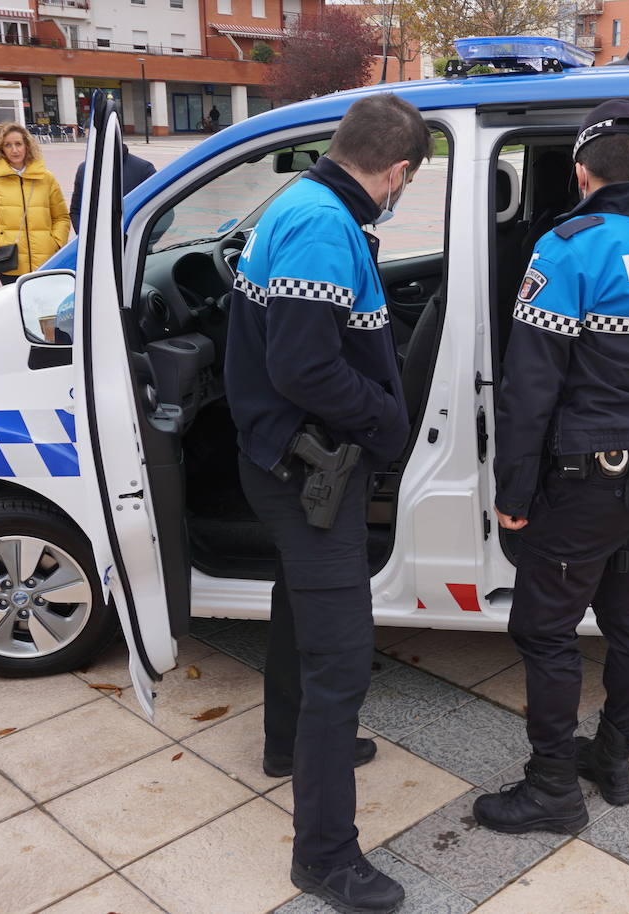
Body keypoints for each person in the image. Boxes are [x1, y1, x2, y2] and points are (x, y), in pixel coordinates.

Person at [474, 100, 629, 835]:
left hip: (588, 478)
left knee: (544, 628)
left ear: (582, 172)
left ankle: (553, 789)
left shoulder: (567, 249)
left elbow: (530, 387)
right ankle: (612, 760)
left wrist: (513, 489)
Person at [223, 93, 426, 914]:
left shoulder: (304, 202)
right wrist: (387, 422)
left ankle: (284, 746)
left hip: (280, 461)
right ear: (398, 171)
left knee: (295, 609)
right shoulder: (321, 226)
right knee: (339, 663)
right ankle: (325, 857)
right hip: (308, 475)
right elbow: (304, 366)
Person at [0, 122, 71, 286]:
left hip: (45, 262)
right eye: (8, 145)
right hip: (10, 263)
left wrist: (56, 243)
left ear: (27, 145)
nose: (14, 150)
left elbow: (61, 217)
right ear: (0, 148)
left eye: (18, 144)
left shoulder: (46, 178)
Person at [69, 143, 156, 231]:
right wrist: (85, 235)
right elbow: (76, 210)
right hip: (95, 237)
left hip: (132, 236)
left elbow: (155, 210)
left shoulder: (143, 169)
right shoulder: (85, 169)